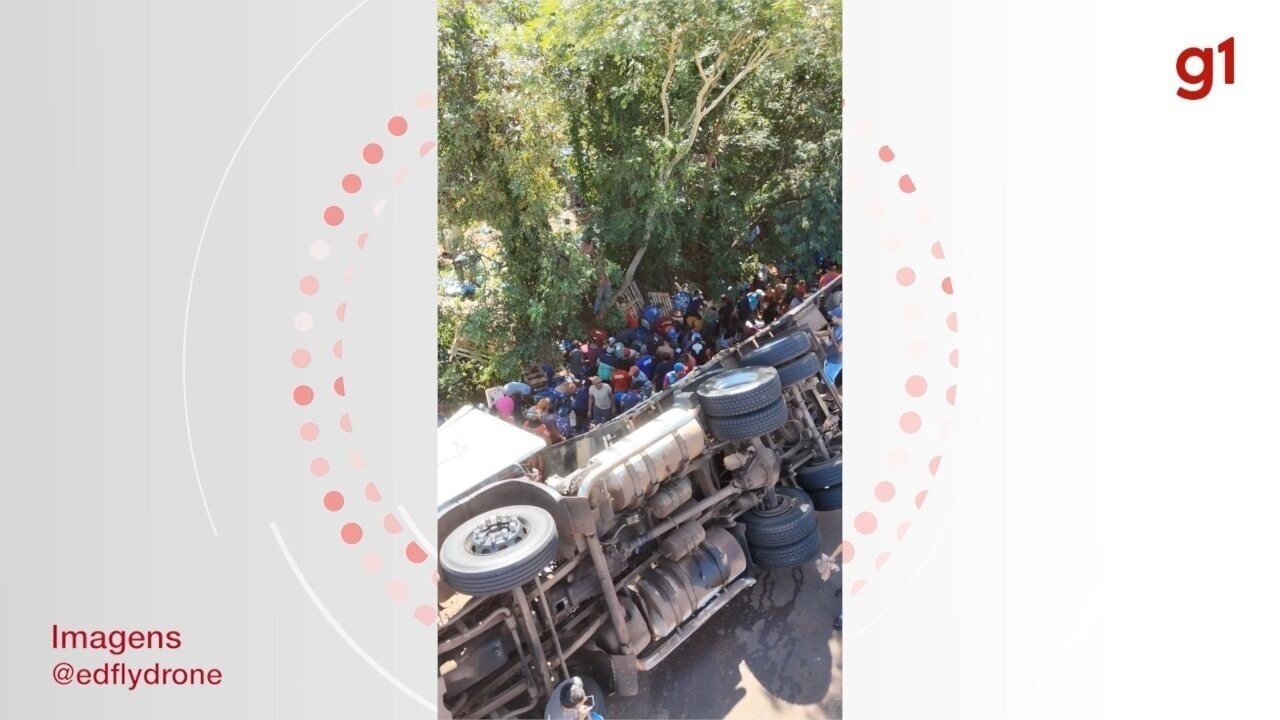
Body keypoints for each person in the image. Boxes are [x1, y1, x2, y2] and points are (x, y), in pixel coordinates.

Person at [824, 305, 843, 385]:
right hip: (830, 357)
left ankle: (833, 396)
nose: (832, 318)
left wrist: (832, 336)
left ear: (840, 318)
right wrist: (814, 333)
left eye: (833, 317)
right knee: (827, 380)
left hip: (835, 361)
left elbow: (840, 349)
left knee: (828, 382)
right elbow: (830, 332)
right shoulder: (838, 326)